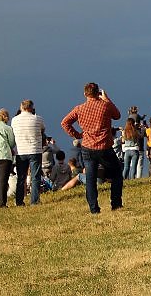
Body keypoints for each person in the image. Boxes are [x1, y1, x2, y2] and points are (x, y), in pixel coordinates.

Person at [60, 83, 124, 213]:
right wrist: (107, 99)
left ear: (85, 94)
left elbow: (64, 122)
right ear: (98, 93)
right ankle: (116, 203)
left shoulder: (79, 109)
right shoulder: (105, 106)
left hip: (87, 147)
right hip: (104, 147)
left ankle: (94, 208)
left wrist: (77, 135)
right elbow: (117, 115)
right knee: (117, 173)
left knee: (90, 178)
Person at [11, 99, 46, 206]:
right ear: (31, 108)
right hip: (35, 150)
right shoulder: (38, 119)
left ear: (21, 107)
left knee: (21, 177)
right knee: (35, 177)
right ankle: (34, 201)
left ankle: (19, 201)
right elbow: (42, 130)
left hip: (21, 151)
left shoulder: (14, 120)